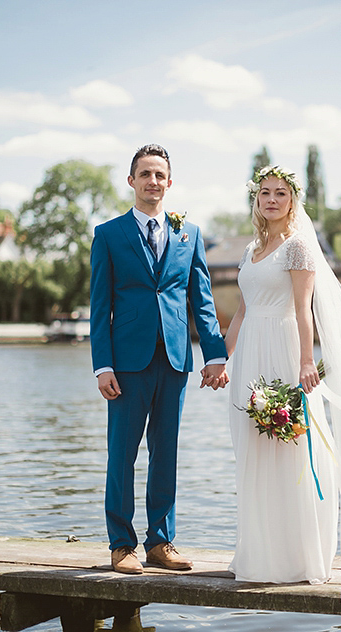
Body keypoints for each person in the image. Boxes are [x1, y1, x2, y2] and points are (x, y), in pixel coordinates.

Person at [223, 166, 341, 607]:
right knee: (251, 449)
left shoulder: (298, 248)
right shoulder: (251, 249)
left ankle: (296, 557)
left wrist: (303, 363)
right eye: (265, 193)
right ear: (256, 200)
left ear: (292, 201)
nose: (272, 199)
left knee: (290, 448)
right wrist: (222, 358)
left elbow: (304, 311)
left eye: (281, 193)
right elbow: (240, 312)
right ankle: (257, 552)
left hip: (282, 352)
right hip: (248, 360)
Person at [90, 144, 229, 575]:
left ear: (170, 182)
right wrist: (103, 364)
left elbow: (201, 301)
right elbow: (99, 306)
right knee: (122, 453)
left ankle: (161, 542)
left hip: (174, 359)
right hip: (127, 362)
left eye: (160, 175)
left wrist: (215, 355)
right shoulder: (108, 234)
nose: (153, 181)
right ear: (131, 181)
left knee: (165, 452)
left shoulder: (189, 234)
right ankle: (121, 545)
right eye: (145, 174)